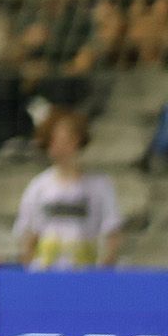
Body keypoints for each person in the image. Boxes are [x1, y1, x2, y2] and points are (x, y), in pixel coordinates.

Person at [13, 109, 123, 268]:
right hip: (46, 274)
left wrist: (103, 272)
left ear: (77, 140)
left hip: (85, 275)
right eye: (53, 140)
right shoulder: (38, 187)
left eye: (63, 140)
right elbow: (28, 235)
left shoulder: (100, 186)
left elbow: (112, 232)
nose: (57, 146)